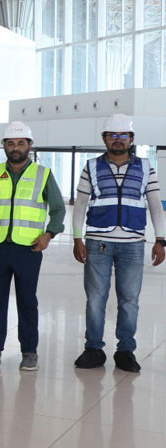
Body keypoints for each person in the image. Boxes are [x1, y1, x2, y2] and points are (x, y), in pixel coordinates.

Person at [72, 114, 163, 373]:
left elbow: (156, 206)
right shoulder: (91, 166)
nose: (118, 140)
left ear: (131, 139)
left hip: (133, 244)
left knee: (129, 300)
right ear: (104, 139)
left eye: (123, 135)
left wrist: (160, 240)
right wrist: (78, 238)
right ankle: (94, 348)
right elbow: (79, 206)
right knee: (95, 298)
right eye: (113, 135)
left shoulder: (146, 167)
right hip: (97, 242)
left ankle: (125, 350)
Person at [0, 121, 66, 372]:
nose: (15, 148)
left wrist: (49, 234)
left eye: (20, 143)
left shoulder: (43, 174)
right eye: (10, 143)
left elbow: (58, 209)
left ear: (29, 146)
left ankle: (30, 351)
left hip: (29, 249)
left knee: (27, 300)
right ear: (4, 145)